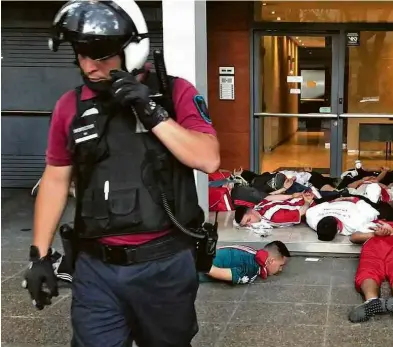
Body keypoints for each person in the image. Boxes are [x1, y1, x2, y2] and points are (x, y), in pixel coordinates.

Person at [23, 1, 220, 346]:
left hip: (164, 265)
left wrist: (151, 111)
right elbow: (56, 179)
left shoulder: (175, 93)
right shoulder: (70, 106)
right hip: (96, 269)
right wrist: (39, 255)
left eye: (100, 57)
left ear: (131, 50)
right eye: (81, 55)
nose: (89, 67)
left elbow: (207, 159)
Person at [200, 241, 290, 284]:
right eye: (280, 265)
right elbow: (220, 273)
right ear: (271, 261)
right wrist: (201, 265)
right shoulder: (252, 267)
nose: (281, 269)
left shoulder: (252, 252)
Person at [305, 196, 380, 241]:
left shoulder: (313, 219)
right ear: (338, 228)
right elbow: (373, 213)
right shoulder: (355, 224)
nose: (331, 215)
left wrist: (333, 201)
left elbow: (314, 208)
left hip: (334, 199)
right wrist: (351, 198)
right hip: (353, 200)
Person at [234, 190, 317, 228]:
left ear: (252, 210)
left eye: (248, 220)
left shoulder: (272, 216)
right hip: (308, 202)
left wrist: (293, 196)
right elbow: (268, 198)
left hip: (313, 204)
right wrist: (306, 201)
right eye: (245, 225)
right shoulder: (263, 210)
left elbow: (268, 198)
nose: (250, 224)